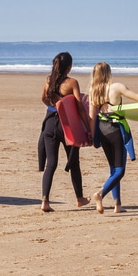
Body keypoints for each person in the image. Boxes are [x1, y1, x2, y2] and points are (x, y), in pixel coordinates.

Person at [87, 62, 138, 214]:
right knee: (120, 170)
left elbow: (92, 117)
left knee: (113, 169)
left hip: (102, 130)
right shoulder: (116, 87)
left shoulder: (93, 91)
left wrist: (93, 137)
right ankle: (100, 194)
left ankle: (117, 205)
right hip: (115, 130)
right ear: (108, 73)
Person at [39, 52, 90, 213]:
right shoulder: (72, 82)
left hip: (49, 125)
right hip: (66, 126)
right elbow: (79, 106)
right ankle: (79, 198)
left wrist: (54, 106)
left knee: (51, 164)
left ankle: (45, 201)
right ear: (69, 67)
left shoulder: (48, 80)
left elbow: (43, 98)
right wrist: (87, 125)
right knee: (73, 161)